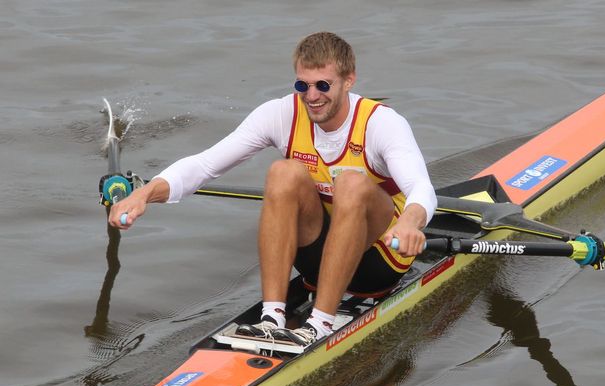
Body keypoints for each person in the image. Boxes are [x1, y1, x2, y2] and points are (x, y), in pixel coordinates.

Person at [109, 31, 437, 347]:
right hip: (316, 260)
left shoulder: (381, 123)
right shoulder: (282, 115)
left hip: (378, 260)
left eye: (323, 85)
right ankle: (272, 318)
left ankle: (321, 324)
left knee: (350, 182)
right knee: (283, 172)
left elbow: (421, 186)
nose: (312, 96)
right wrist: (144, 193)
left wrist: (410, 222)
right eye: (302, 85)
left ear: (349, 80)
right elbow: (204, 165)